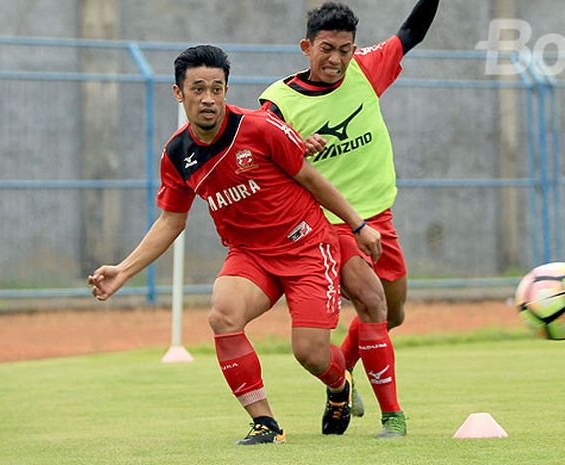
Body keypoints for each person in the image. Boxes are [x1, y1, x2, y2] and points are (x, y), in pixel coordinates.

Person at [87, 45, 384, 445]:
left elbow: (312, 179)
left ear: (226, 90)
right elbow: (172, 221)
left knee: (310, 353)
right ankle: (265, 423)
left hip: (307, 248)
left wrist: (358, 225)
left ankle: (338, 384)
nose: (208, 98)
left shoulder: (260, 128)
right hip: (250, 255)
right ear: (179, 93)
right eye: (198, 89)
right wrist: (123, 270)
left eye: (217, 88)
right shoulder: (177, 154)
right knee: (223, 315)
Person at [259, 0, 440, 438]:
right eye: (326, 49)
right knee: (371, 300)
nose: (336, 59)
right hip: (326, 225)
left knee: (392, 314)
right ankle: (393, 416)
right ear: (306, 47)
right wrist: (296, 143)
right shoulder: (278, 102)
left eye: (345, 49)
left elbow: (411, 33)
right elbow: (262, 156)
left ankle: (341, 373)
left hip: (379, 218)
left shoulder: (365, 70)